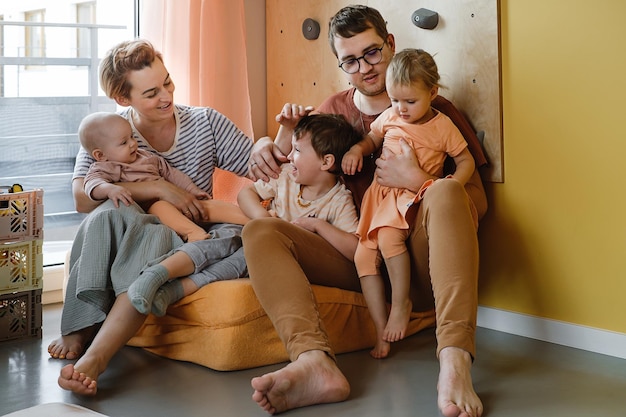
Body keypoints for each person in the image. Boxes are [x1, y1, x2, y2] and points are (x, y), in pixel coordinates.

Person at [245, 5, 487, 417]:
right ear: (341, 63)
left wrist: (418, 182)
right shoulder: (331, 111)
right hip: (357, 257)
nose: (366, 68)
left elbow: (476, 202)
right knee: (259, 233)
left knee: (446, 192)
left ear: (390, 44)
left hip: (419, 260)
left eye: (372, 53)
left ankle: (454, 359)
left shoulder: (434, 109)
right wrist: (266, 142)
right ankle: (313, 363)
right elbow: (293, 160)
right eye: (351, 60)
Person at [47, 38, 254, 396]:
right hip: (131, 227)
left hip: (179, 230)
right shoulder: (111, 132)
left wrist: (273, 143)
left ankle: (95, 357)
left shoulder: (205, 122)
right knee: (104, 218)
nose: (166, 97)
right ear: (124, 99)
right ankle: (80, 326)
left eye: (168, 83)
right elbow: (83, 196)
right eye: (151, 92)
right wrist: (158, 189)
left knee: (153, 237)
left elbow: (257, 165)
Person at [342, 48, 476, 359]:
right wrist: (356, 151)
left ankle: (401, 303)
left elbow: (465, 159)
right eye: (394, 100)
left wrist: (451, 187)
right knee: (363, 257)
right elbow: (372, 139)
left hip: (408, 198)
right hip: (380, 196)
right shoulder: (389, 116)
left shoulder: (442, 126)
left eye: (410, 102)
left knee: (390, 238)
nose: (401, 109)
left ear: (432, 92)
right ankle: (380, 329)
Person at [78, 111, 249, 243]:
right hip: (149, 211)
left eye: (131, 136)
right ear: (101, 155)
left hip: (176, 202)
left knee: (207, 206)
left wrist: (193, 190)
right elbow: (91, 184)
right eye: (124, 142)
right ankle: (194, 234)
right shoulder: (106, 167)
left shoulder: (145, 156)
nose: (132, 143)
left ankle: (253, 218)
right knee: (160, 207)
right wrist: (109, 189)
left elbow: (172, 174)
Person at [238, 114, 361, 261]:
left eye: (296, 150)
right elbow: (246, 193)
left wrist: (318, 225)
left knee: (240, 260)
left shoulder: (339, 200)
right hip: (259, 239)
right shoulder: (286, 175)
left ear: (326, 161)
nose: (289, 156)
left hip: (284, 257)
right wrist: (262, 218)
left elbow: (356, 250)